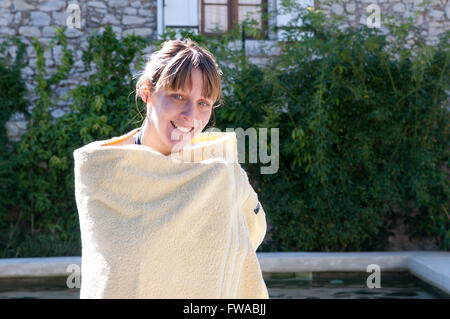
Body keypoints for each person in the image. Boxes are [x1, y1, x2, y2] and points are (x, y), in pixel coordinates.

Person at [73, 38, 268, 299]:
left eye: (203, 103)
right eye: (178, 96)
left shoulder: (220, 172)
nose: (191, 115)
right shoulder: (102, 168)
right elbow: (112, 273)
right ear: (147, 91)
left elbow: (250, 233)